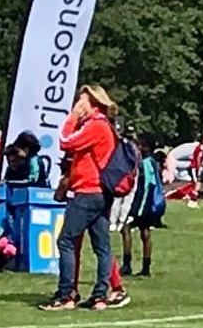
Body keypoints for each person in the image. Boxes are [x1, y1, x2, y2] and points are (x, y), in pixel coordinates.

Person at [38, 84, 119, 312]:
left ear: (91, 103)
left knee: (66, 241)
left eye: (81, 101)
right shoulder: (105, 126)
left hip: (88, 191)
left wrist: (72, 117)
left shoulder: (95, 126)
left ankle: (66, 295)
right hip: (101, 192)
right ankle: (100, 296)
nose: (77, 105)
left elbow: (65, 141)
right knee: (101, 246)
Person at [121, 135, 164, 277]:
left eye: (140, 145)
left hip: (143, 203)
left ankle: (128, 265)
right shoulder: (151, 162)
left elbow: (148, 185)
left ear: (146, 147)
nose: (138, 148)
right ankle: (145, 267)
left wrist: (139, 207)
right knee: (144, 232)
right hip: (147, 203)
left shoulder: (146, 162)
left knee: (127, 228)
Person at [185, 132, 203, 208]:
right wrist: (199, 168)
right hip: (194, 168)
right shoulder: (200, 148)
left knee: (197, 184)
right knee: (196, 184)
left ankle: (193, 200)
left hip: (196, 168)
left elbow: (202, 159)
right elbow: (198, 158)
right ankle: (192, 201)